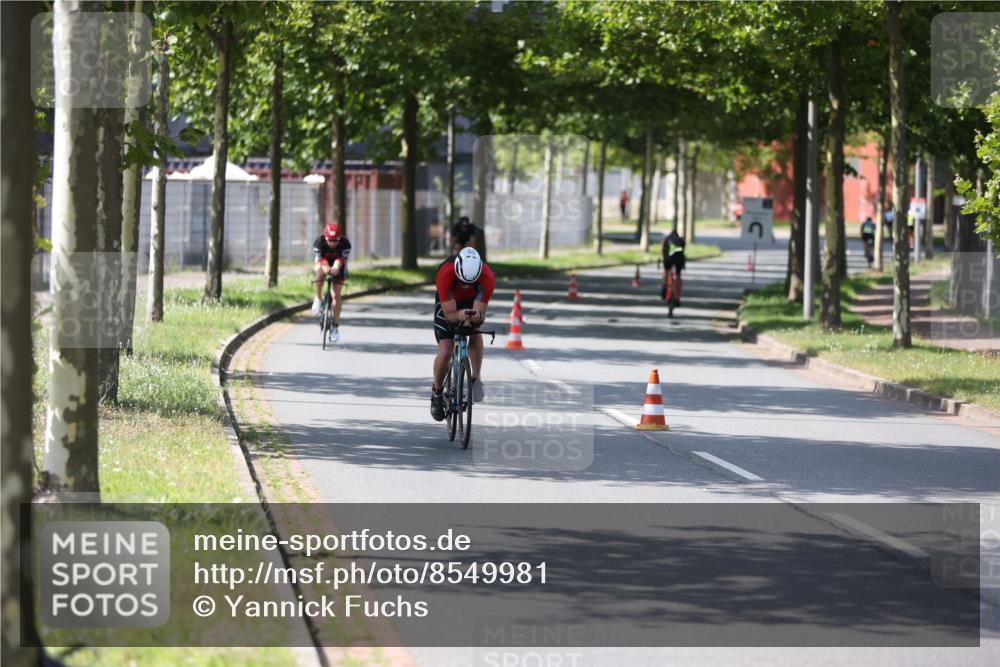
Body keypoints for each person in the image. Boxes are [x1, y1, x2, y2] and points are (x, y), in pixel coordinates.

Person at [430, 246, 495, 421]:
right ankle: (436, 392)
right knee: (445, 350)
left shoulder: (487, 277)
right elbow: (450, 315)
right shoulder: (445, 273)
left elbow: (479, 316)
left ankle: (475, 378)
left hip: (471, 300)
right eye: (463, 281)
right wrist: (459, 315)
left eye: (470, 282)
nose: (466, 284)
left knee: (474, 332)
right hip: (449, 302)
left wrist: (474, 317)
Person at [311, 222, 352, 343]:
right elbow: (320, 260)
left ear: (340, 239)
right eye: (330, 240)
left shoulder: (345, 244)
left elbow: (340, 260)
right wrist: (325, 268)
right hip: (323, 262)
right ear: (325, 237)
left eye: (335, 240)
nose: (333, 243)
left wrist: (335, 268)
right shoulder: (319, 242)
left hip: (338, 265)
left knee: (336, 295)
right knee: (318, 273)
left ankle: (335, 327)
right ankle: (318, 298)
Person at [661, 228, 686, 306]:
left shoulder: (666, 239)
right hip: (678, 257)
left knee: (666, 270)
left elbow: (663, 251)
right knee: (678, 275)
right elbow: (683, 251)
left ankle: (665, 284)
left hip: (668, 257)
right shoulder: (681, 240)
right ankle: (677, 299)